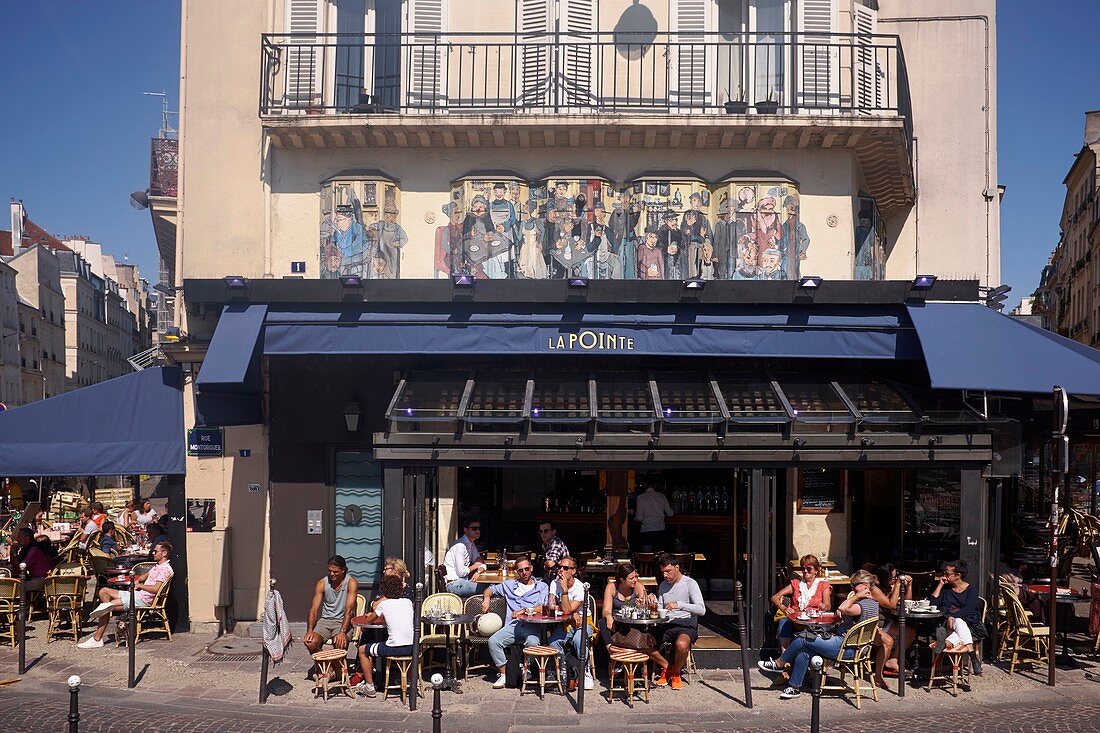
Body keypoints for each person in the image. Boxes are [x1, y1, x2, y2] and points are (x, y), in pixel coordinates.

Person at [758, 570, 881, 699]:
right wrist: (846, 609)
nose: (852, 588)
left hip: (845, 648)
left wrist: (854, 598)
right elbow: (844, 611)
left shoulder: (862, 605)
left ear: (865, 586)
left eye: (854, 585)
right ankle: (794, 687)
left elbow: (844, 608)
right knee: (804, 651)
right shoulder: (872, 604)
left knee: (803, 638)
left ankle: (780, 663)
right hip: (851, 647)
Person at [78, 541, 174, 648]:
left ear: (164, 553)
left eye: (156, 551)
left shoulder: (165, 569)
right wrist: (134, 579)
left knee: (107, 606)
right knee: (103, 591)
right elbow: (143, 576)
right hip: (137, 594)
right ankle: (103, 610)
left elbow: (156, 589)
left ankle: (97, 637)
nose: (153, 553)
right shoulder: (157, 566)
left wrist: (140, 586)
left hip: (142, 599)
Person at [481, 556, 549, 689]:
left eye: (526, 569)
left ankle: (526, 668)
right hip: (514, 625)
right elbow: (490, 589)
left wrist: (523, 611)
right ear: (517, 572)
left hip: (532, 625)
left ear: (531, 569)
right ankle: (504, 673)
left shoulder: (541, 586)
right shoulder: (509, 585)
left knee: (533, 642)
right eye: (521, 570)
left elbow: (543, 606)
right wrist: (487, 598)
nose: (524, 572)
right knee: (493, 641)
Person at [649, 552, 705, 690]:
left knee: (681, 644)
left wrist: (679, 604)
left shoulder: (690, 583)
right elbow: (661, 609)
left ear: (677, 567)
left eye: (668, 571)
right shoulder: (663, 585)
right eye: (663, 572)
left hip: (685, 624)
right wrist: (653, 603)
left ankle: (675, 672)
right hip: (666, 623)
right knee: (642, 641)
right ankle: (668, 667)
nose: (665, 575)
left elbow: (701, 609)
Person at [600, 563, 669, 673]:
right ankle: (613, 654)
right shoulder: (612, 587)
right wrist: (608, 616)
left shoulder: (638, 587)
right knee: (603, 622)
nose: (635, 580)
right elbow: (606, 610)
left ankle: (621, 661)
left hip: (634, 624)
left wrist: (641, 605)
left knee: (643, 638)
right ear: (622, 580)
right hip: (618, 622)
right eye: (631, 578)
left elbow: (644, 608)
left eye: (636, 576)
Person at [353, 574, 414, 698]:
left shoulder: (384, 605)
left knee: (362, 650)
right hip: (412, 647)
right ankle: (408, 681)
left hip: (393, 648)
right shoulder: (407, 602)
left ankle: (369, 686)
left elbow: (369, 620)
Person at [546, 558, 595, 690]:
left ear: (573, 571)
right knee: (553, 643)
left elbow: (566, 609)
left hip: (583, 621)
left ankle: (584, 670)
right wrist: (570, 612)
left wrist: (564, 591)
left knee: (579, 640)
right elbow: (551, 605)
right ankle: (563, 670)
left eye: (565, 568)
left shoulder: (580, 587)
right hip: (566, 622)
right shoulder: (554, 583)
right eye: (559, 567)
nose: (561, 570)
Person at [928, 559, 983, 675]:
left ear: (958, 576)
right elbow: (932, 604)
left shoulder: (971, 590)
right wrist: (940, 584)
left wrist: (951, 617)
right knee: (958, 624)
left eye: (947, 574)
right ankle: (973, 658)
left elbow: (968, 610)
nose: (944, 576)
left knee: (959, 623)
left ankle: (944, 643)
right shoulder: (946, 589)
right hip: (948, 625)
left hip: (969, 624)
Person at [302, 555, 360, 659]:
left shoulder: (351, 583)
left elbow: (349, 610)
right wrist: (309, 630)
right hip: (325, 621)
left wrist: (342, 632)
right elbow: (313, 610)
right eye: (329, 571)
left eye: (335, 572)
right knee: (311, 642)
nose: (332, 574)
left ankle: (333, 670)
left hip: (342, 621)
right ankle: (326, 666)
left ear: (343, 570)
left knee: (339, 642)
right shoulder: (322, 583)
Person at [771, 554, 833, 651]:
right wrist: (784, 608)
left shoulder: (823, 585)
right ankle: (784, 656)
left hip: (812, 622)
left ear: (816, 570)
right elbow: (775, 597)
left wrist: (824, 607)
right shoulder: (796, 583)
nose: (805, 571)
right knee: (784, 621)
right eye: (803, 569)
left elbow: (828, 605)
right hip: (795, 620)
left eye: (809, 569)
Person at [872, 563, 914, 687]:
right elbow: (891, 604)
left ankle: (893, 659)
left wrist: (909, 586)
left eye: (896, 577)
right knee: (888, 641)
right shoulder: (874, 588)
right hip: (874, 624)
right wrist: (896, 586)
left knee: (909, 633)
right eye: (892, 578)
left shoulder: (890, 587)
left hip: (886, 622)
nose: (894, 580)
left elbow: (907, 603)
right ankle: (878, 676)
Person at [443, 519, 486, 595]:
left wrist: (478, 571)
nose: (478, 531)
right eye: (474, 528)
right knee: (489, 589)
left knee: (491, 587)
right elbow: (461, 572)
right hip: (453, 583)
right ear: (466, 530)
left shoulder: (471, 544)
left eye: (479, 528)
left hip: (463, 581)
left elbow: (481, 562)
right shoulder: (460, 546)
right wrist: (475, 566)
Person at [634, 484, 673, 552]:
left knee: (647, 556)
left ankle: (648, 562)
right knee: (659, 555)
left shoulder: (640, 497)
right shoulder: (661, 496)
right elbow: (670, 513)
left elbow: (639, 518)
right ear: (655, 486)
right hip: (660, 528)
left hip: (647, 529)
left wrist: (634, 517)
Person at [13, 528, 53, 592]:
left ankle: (23, 601)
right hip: (35, 578)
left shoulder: (34, 550)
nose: (17, 539)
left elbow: (21, 568)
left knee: (13, 587)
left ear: (27, 538)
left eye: (19, 537)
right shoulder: (26, 548)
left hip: (41, 580)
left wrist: (14, 553)